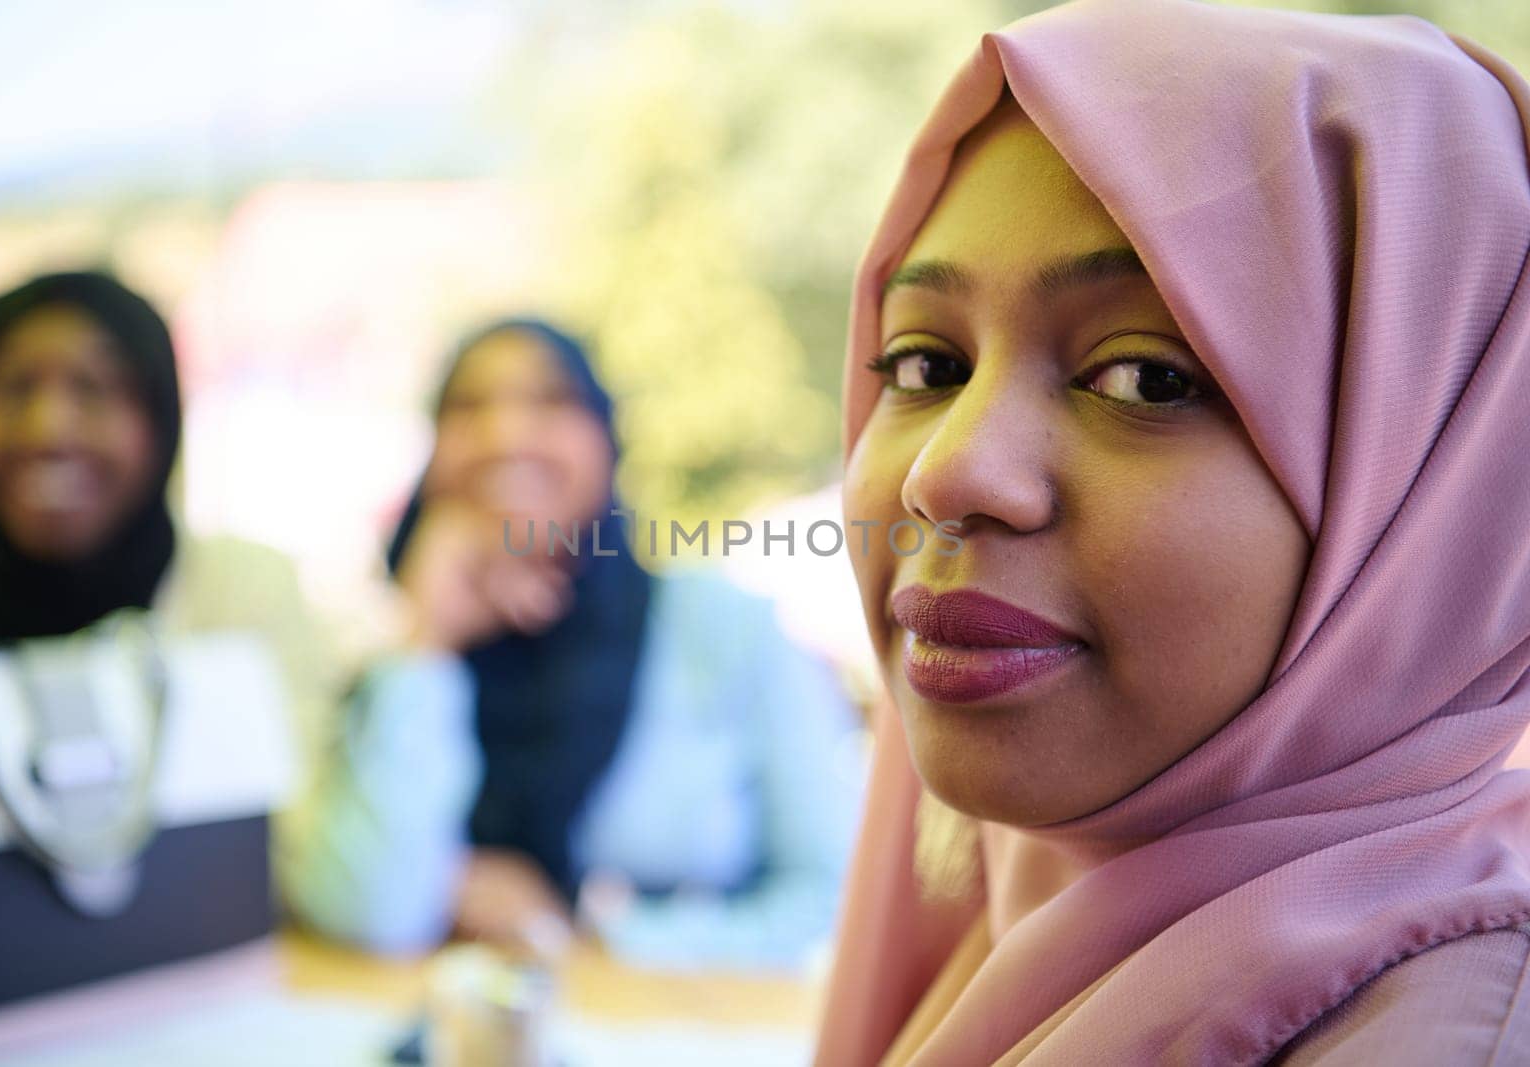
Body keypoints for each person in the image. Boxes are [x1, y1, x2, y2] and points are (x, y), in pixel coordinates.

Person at [816, 2, 1530, 1064]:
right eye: (926, 365)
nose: (943, 473)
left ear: (1437, 488)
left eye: (1147, 377)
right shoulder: (1028, 918)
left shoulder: (1437, 1033)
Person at [279, 317, 863, 970]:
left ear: (608, 441)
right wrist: (424, 644)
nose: (506, 434)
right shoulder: (382, 655)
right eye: (469, 406)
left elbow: (834, 903)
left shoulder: (725, 629)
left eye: (550, 401)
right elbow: (371, 916)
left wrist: (582, 936)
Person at [0, 271, 321, 1024]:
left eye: (95, 388)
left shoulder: (246, 590)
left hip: (186, 1019)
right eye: (14, 389)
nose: (49, 427)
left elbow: (299, 851)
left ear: (161, 418)